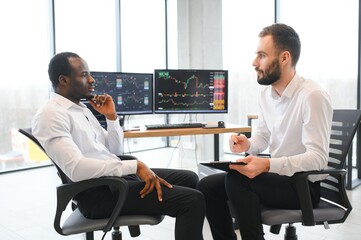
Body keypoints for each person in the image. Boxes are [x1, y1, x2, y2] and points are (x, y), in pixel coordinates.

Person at [32, 52, 205, 240]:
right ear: (63, 80)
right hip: (98, 194)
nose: (91, 80)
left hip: (114, 181)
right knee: (192, 201)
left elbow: (114, 152)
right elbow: (76, 169)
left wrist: (111, 118)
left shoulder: (81, 109)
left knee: (190, 178)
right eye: (83, 75)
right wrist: (135, 166)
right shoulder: (51, 114)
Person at [198, 23, 333, 240]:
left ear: (284, 58)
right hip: (278, 178)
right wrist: (248, 144)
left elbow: (317, 159)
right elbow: (264, 136)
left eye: (261, 55)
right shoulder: (267, 95)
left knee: (237, 180)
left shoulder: (312, 95)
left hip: (302, 186)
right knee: (207, 185)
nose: (254, 63)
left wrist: (268, 164)